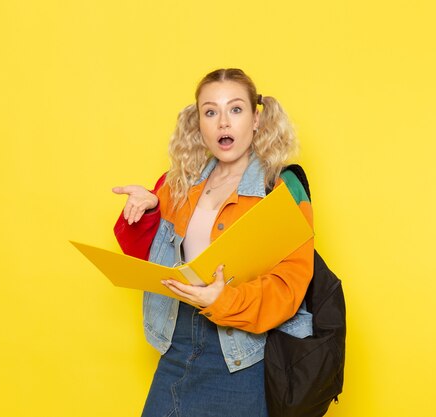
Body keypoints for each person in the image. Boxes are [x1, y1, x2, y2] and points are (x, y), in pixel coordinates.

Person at [112, 68, 315, 417]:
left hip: (241, 359)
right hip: (175, 347)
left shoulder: (280, 190)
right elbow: (144, 260)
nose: (223, 122)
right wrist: (145, 212)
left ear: (256, 120)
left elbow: (289, 287)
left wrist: (224, 300)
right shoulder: (177, 184)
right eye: (211, 112)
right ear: (198, 124)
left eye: (235, 109)